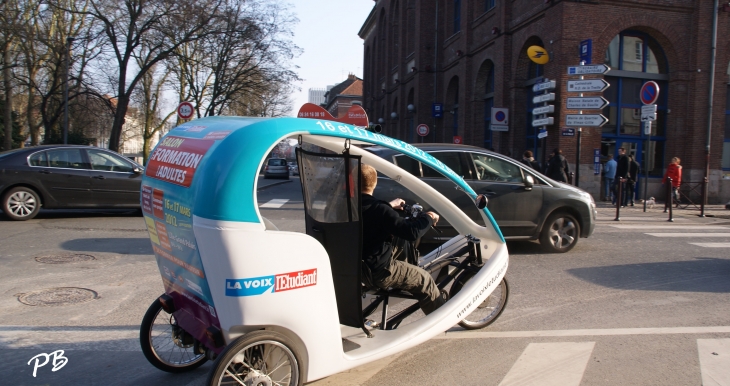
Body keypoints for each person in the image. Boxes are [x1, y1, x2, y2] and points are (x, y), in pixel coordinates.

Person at [360, 164, 448, 315]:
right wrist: (429, 217)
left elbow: (369, 211)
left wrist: (389, 205)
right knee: (424, 278)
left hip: (356, 268)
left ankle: (406, 275)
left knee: (396, 239)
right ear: (375, 183)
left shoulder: (348, 206)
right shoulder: (380, 210)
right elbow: (412, 232)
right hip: (377, 272)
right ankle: (440, 318)